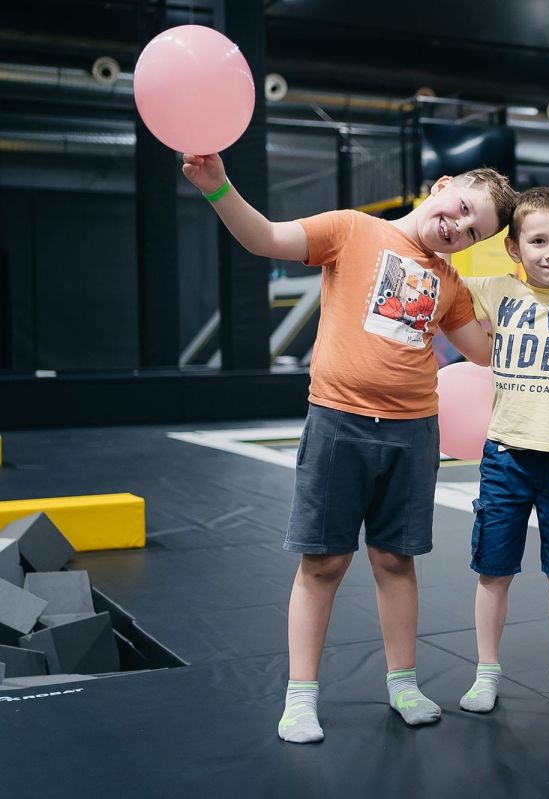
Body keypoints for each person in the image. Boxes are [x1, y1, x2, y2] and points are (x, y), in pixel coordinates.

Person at [181, 152, 516, 743]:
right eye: (462, 208)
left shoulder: (449, 283)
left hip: (413, 432)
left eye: (473, 232)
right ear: (442, 186)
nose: (458, 227)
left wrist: (540, 296)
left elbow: (485, 352)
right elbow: (264, 239)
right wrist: (218, 187)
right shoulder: (352, 229)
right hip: (339, 422)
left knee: (395, 560)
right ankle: (300, 696)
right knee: (322, 563)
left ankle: (403, 683)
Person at [456, 187, 549, 714]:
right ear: (514, 247)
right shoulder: (495, 290)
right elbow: (437, 278)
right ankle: (485, 672)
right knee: (493, 569)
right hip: (505, 457)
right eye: (538, 241)